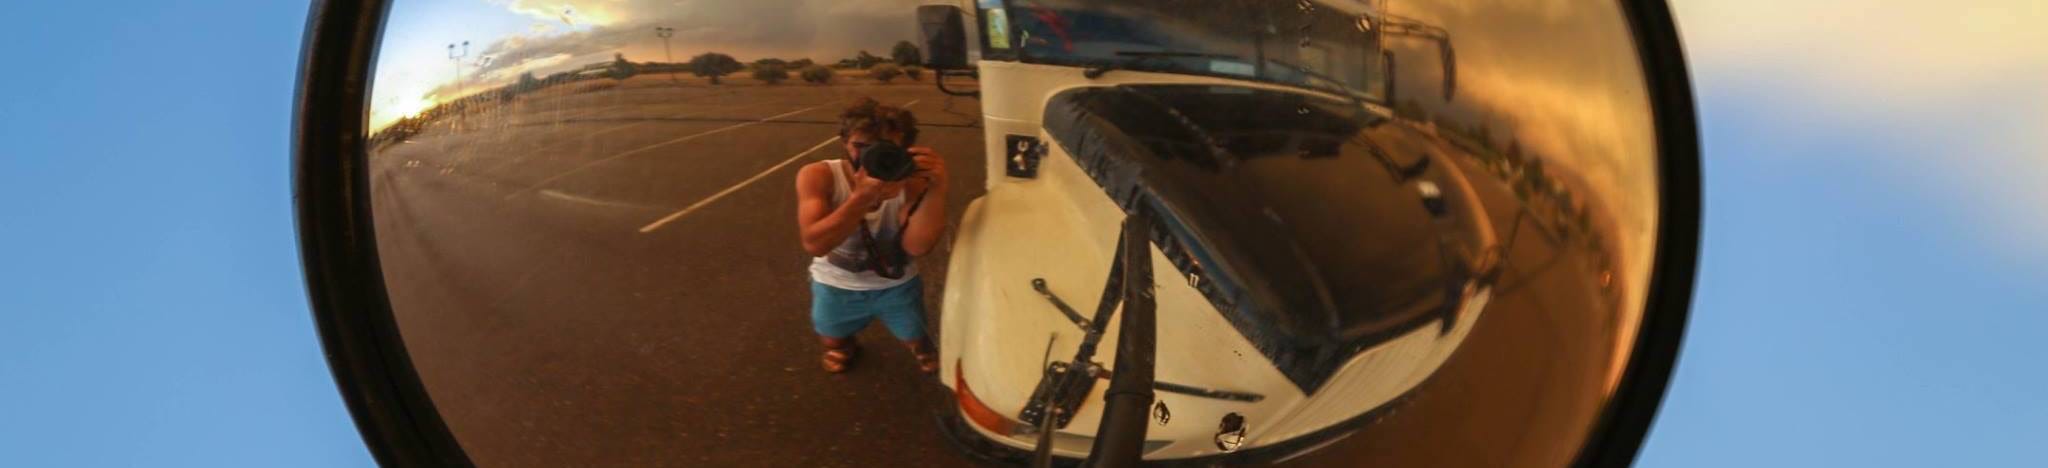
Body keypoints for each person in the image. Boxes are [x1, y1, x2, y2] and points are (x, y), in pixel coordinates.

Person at [794, 98, 949, 374]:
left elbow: (918, 246)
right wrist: (861, 198)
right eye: (861, 147)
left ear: (905, 150)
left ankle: (922, 348)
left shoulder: (912, 182)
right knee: (833, 338)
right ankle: (842, 346)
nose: (870, 158)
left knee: (916, 336)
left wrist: (937, 188)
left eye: (885, 149)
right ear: (844, 142)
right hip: (835, 284)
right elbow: (816, 244)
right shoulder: (818, 175)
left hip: (897, 285)